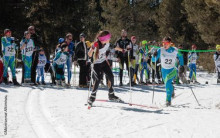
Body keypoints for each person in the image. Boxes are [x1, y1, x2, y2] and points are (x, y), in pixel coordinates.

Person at [87, 30, 122, 107]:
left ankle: (111, 94)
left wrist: (123, 50)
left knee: (111, 76)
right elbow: (89, 54)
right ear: (104, 39)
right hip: (96, 64)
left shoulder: (107, 43)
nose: (110, 39)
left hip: (103, 62)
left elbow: (115, 47)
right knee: (98, 79)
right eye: (108, 37)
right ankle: (92, 97)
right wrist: (92, 48)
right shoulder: (96, 44)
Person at [154, 36, 184, 106]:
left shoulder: (175, 50)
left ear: (170, 43)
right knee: (167, 84)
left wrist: (181, 65)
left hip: (172, 70)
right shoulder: (160, 50)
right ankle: (172, 89)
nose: (164, 44)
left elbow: (181, 56)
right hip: (164, 70)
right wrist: (154, 55)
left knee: (167, 83)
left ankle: (168, 100)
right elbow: (153, 60)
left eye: (166, 43)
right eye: (163, 43)